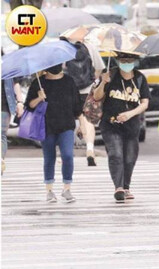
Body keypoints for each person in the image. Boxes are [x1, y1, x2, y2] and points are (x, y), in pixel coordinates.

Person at [93, 53, 149, 202]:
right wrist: (103, 83)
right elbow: (97, 96)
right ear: (117, 61)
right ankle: (118, 187)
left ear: (135, 61)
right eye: (123, 60)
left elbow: (144, 103)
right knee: (115, 154)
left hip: (132, 125)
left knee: (130, 158)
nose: (127, 63)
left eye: (130, 61)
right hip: (110, 124)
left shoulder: (139, 78)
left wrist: (130, 114)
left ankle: (126, 186)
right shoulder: (110, 74)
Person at [25, 64, 82, 203]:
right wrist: (39, 98)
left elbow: (77, 106)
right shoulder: (39, 82)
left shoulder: (69, 81)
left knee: (68, 155)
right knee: (49, 158)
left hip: (66, 125)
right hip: (46, 126)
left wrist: (82, 124)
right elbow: (30, 105)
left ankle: (67, 188)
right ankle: (49, 190)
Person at [65, 40, 106, 166]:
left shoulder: (62, 46)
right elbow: (99, 67)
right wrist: (93, 80)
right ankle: (89, 149)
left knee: (67, 120)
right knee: (88, 120)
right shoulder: (89, 46)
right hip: (87, 89)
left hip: (67, 88)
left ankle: (67, 152)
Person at [1, 77, 24, 175]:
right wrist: (19, 102)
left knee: (1, 135)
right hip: (4, 106)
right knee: (1, 135)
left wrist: (20, 102)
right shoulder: (8, 62)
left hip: (4, 106)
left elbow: (16, 82)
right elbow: (16, 82)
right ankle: (0, 161)